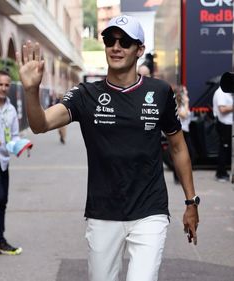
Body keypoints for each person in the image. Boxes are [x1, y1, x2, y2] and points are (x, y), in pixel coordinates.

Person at [16, 15, 199, 281]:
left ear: (139, 50)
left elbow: (178, 146)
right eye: (109, 40)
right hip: (103, 213)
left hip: (150, 211)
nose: (116, 47)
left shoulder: (159, 92)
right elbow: (40, 124)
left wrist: (191, 202)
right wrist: (31, 91)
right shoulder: (85, 94)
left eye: (125, 41)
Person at [0, 70, 23, 255]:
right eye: (0, 84)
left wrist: (21, 145)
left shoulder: (11, 110)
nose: (3, 88)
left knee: (2, 201)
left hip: (3, 162)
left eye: (6, 85)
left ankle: (0, 240)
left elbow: (13, 137)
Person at [173, 85, 194, 184]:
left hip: (186, 131)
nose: (186, 93)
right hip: (181, 132)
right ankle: (178, 177)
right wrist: (186, 102)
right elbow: (184, 114)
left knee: (190, 154)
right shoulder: (177, 103)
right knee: (181, 154)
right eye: (185, 92)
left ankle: (183, 176)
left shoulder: (183, 103)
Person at [213, 86, 233, 182]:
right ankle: (220, 173)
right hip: (224, 124)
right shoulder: (221, 92)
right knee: (224, 148)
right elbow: (222, 109)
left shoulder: (227, 92)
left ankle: (223, 172)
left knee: (227, 149)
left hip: (228, 124)